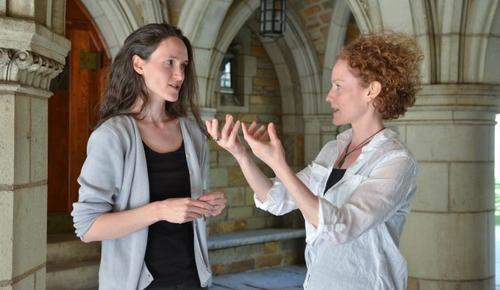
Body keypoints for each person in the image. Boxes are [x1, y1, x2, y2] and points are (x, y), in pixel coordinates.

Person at [206, 32, 422, 290]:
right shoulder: (334, 148)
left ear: (372, 90)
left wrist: (279, 164)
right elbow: (277, 198)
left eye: (338, 86)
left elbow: (340, 227)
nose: (329, 96)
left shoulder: (396, 161)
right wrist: (242, 154)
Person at [71, 23, 226, 290]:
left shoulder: (192, 133)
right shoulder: (111, 136)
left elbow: (187, 209)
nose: (179, 74)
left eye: (184, 65)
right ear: (138, 65)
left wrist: (206, 205)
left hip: (194, 280)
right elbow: (88, 227)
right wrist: (160, 210)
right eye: (169, 62)